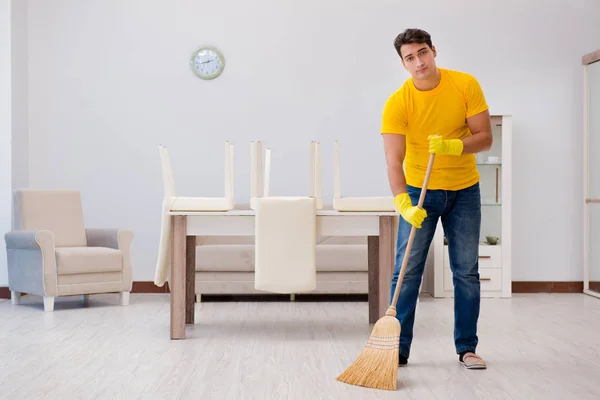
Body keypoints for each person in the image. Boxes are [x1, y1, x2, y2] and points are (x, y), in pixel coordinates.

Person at [380, 28, 492, 370]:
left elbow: (485, 137)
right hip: (420, 191)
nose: (418, 62)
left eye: (422, 53)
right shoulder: (398, 103)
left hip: (464, 190)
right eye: (410, 57)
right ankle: (396, 348)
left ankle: (467, 348)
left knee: (466, 272)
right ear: (403, 63)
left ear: (434, 51)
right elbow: (392, 161)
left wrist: (455, 146)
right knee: (407, 271)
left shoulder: (464, 85)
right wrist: (403, 203)